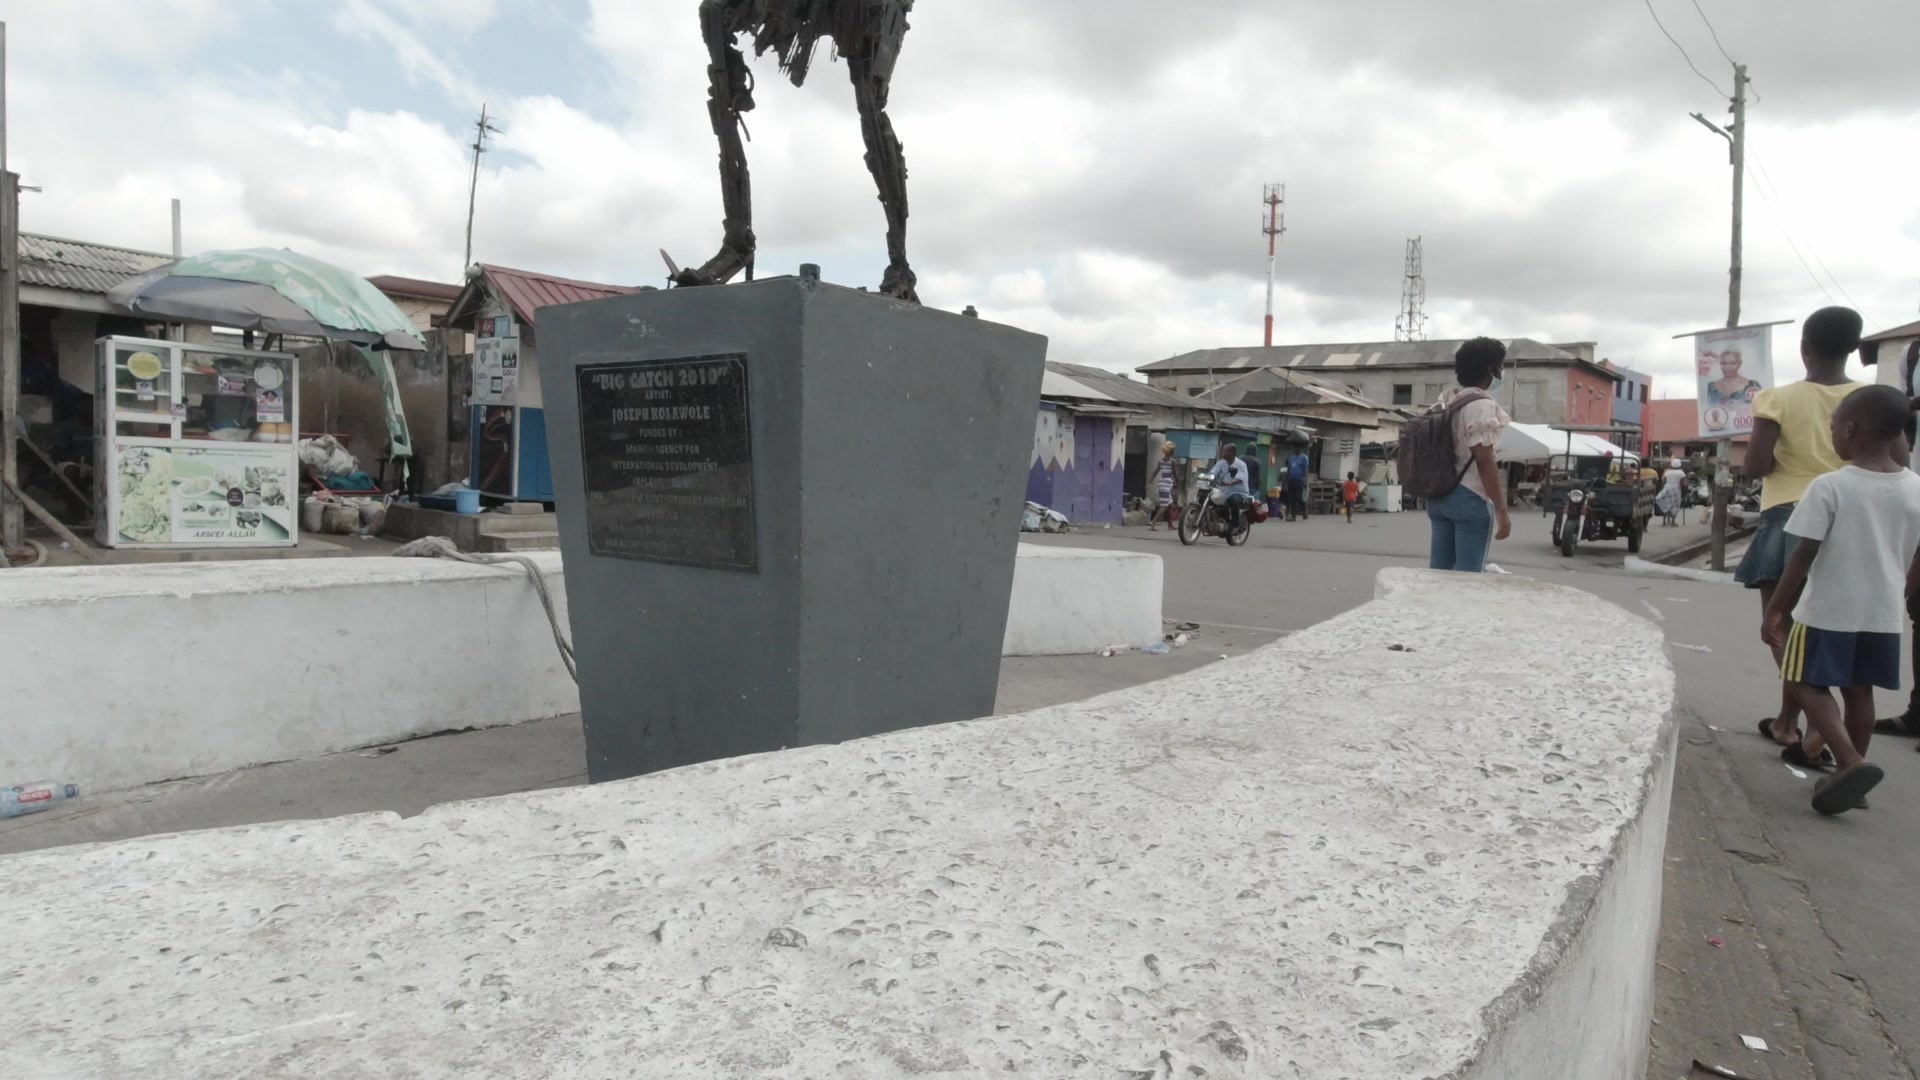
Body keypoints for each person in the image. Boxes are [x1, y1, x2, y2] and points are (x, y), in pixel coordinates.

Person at [1761, 385, 1920, 813]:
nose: (1833, 436)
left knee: (1799, 679)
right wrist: (1901, 589)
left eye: (1833, 428)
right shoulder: (1916, 489)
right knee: (1859, 691)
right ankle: (1852, 778)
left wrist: (1776, 607)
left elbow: (1802, 554)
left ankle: (1850, 762)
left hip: (1827, 609)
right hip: (1882, 615)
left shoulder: (1830, 486)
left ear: (1850, 429)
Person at [1744, 307, 1870, 752]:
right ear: (1855, 348)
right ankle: (1785, 722)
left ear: (1804, 349)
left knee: (1781, 627)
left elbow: (1756, 465)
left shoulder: (1777, 398)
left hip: (1788, 515)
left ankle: (1822, 723)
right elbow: (1900, 463)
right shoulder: (1871, 398)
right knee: (1825, 625)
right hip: (1851, 516)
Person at [1427, 337, 1514, 571]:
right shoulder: (1481, 406)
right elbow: (1485, 463)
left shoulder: (1446, 399)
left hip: (1439, 494)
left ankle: (1436, 609)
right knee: (1468, 578)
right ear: (1491, 369)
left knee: (1439, 573)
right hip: (1469, 497)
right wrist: (1501, 510)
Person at [1209, 442, 1251, 534]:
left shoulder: (1241, 465)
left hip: (1237, 492)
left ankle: (1235, 525)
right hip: (1222, 491)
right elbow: (1213, 472)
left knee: (1234, 500)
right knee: (1207, 498)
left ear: (1231, 452)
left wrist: (1231, 482)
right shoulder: (1221, 463)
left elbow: (1239, 478)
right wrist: (1209, 477)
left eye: (1225, 451)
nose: (1222, 453)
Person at [1150, 441, 1179, 531]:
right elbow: (1175, 474)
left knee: (1170, 505)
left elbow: (1154, 473)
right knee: (1163, 506)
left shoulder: (1161, 461)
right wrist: (1179, 484)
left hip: (1161, 484)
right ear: (1171, 451)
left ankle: (1170, 525)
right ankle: (1153, 522)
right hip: (1167, 485)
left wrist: (1149, 482)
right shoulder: (1172, 461)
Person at [1285, 446, 1310, 520]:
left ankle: (1304, 509)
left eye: (1298, 448)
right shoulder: (1291, 458)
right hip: (1291, 480)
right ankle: (1293, 516)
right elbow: (1289, 469)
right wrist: (1286, 480)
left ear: (1300, 449)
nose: (1297, 449)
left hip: (1300, 480)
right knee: (1292, 499)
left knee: (1299, 497)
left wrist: (1306, 481)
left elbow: (1306, 470)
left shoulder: (1304, 458)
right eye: (1295, 448)